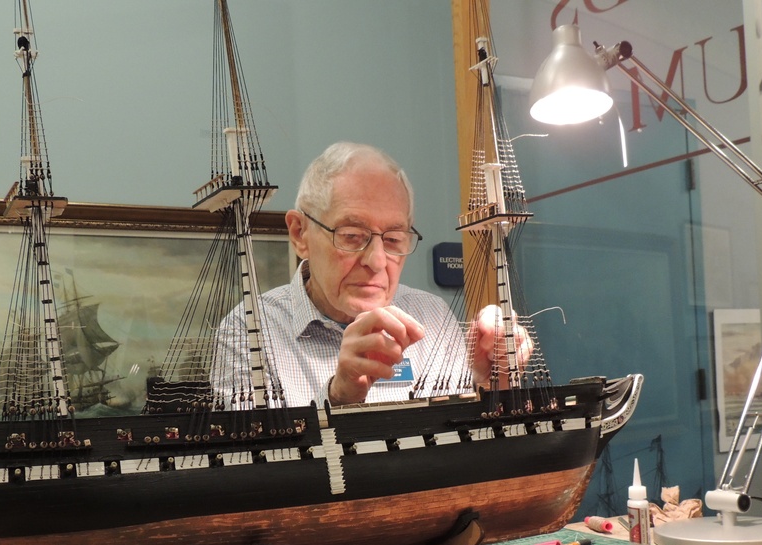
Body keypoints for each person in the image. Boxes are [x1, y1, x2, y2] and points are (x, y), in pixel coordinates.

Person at [212, 141, 530, 408]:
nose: (377, 261)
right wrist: (338, 397)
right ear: (300, 234)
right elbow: (259, 466)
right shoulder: (248, 331)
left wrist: (490, 383)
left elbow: (463, 447)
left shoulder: (433, 316)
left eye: (393, 239)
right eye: (351, 235)